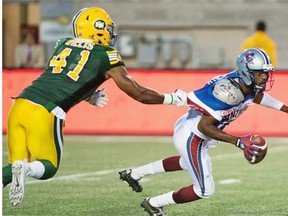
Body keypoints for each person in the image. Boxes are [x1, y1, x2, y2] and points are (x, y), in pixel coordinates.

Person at [2, 7, 187, 207]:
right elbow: (139, 93)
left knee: (12, 167)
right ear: (96, 28)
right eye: (107, 28)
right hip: (45, 111)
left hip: (19, 104)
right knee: (48, 167)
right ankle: (27, 170)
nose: (110, 33)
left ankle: (20, 168)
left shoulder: (62, 44)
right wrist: (173, 98)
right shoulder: (107, 54)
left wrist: (88, 96)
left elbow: (63, 77)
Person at [119, 48, 288, 216]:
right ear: (246, 72)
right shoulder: (229, 92)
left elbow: (256, 96)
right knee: (204, 190)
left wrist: (286, 109)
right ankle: (154, 203)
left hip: (191, 127)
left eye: (265, 73)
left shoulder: (245, 83)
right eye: (259, 73)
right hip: (193, 135)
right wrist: (238, 142)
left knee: (187, 163)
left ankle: (134, 174)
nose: (264, 77)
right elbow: (205, 127)